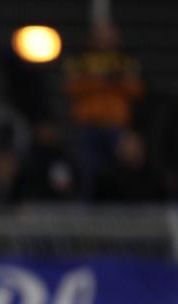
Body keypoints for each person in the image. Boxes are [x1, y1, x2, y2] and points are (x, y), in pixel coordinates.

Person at [64, 20, 143, 200]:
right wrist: (100, 82)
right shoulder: (81, 59)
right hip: (87, 125)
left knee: (123, 169)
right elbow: (71, 87)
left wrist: (112, 81)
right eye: (101, 35)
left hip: (116, 125)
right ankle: (86, 209)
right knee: (86, 169)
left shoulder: (125, 59)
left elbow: (136, 89)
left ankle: (124, 208)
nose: (105, 40)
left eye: (109, 35)